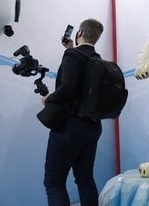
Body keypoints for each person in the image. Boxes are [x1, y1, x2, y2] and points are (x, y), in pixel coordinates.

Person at [41, 18, 104, 206]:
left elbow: (68, 89)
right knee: (85, 179)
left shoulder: (72, 57)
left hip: (70, 127)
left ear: (79, 32)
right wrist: (69, 49)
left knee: (54, 182)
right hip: (92, 127)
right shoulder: (98, 60)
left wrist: (48, 99)